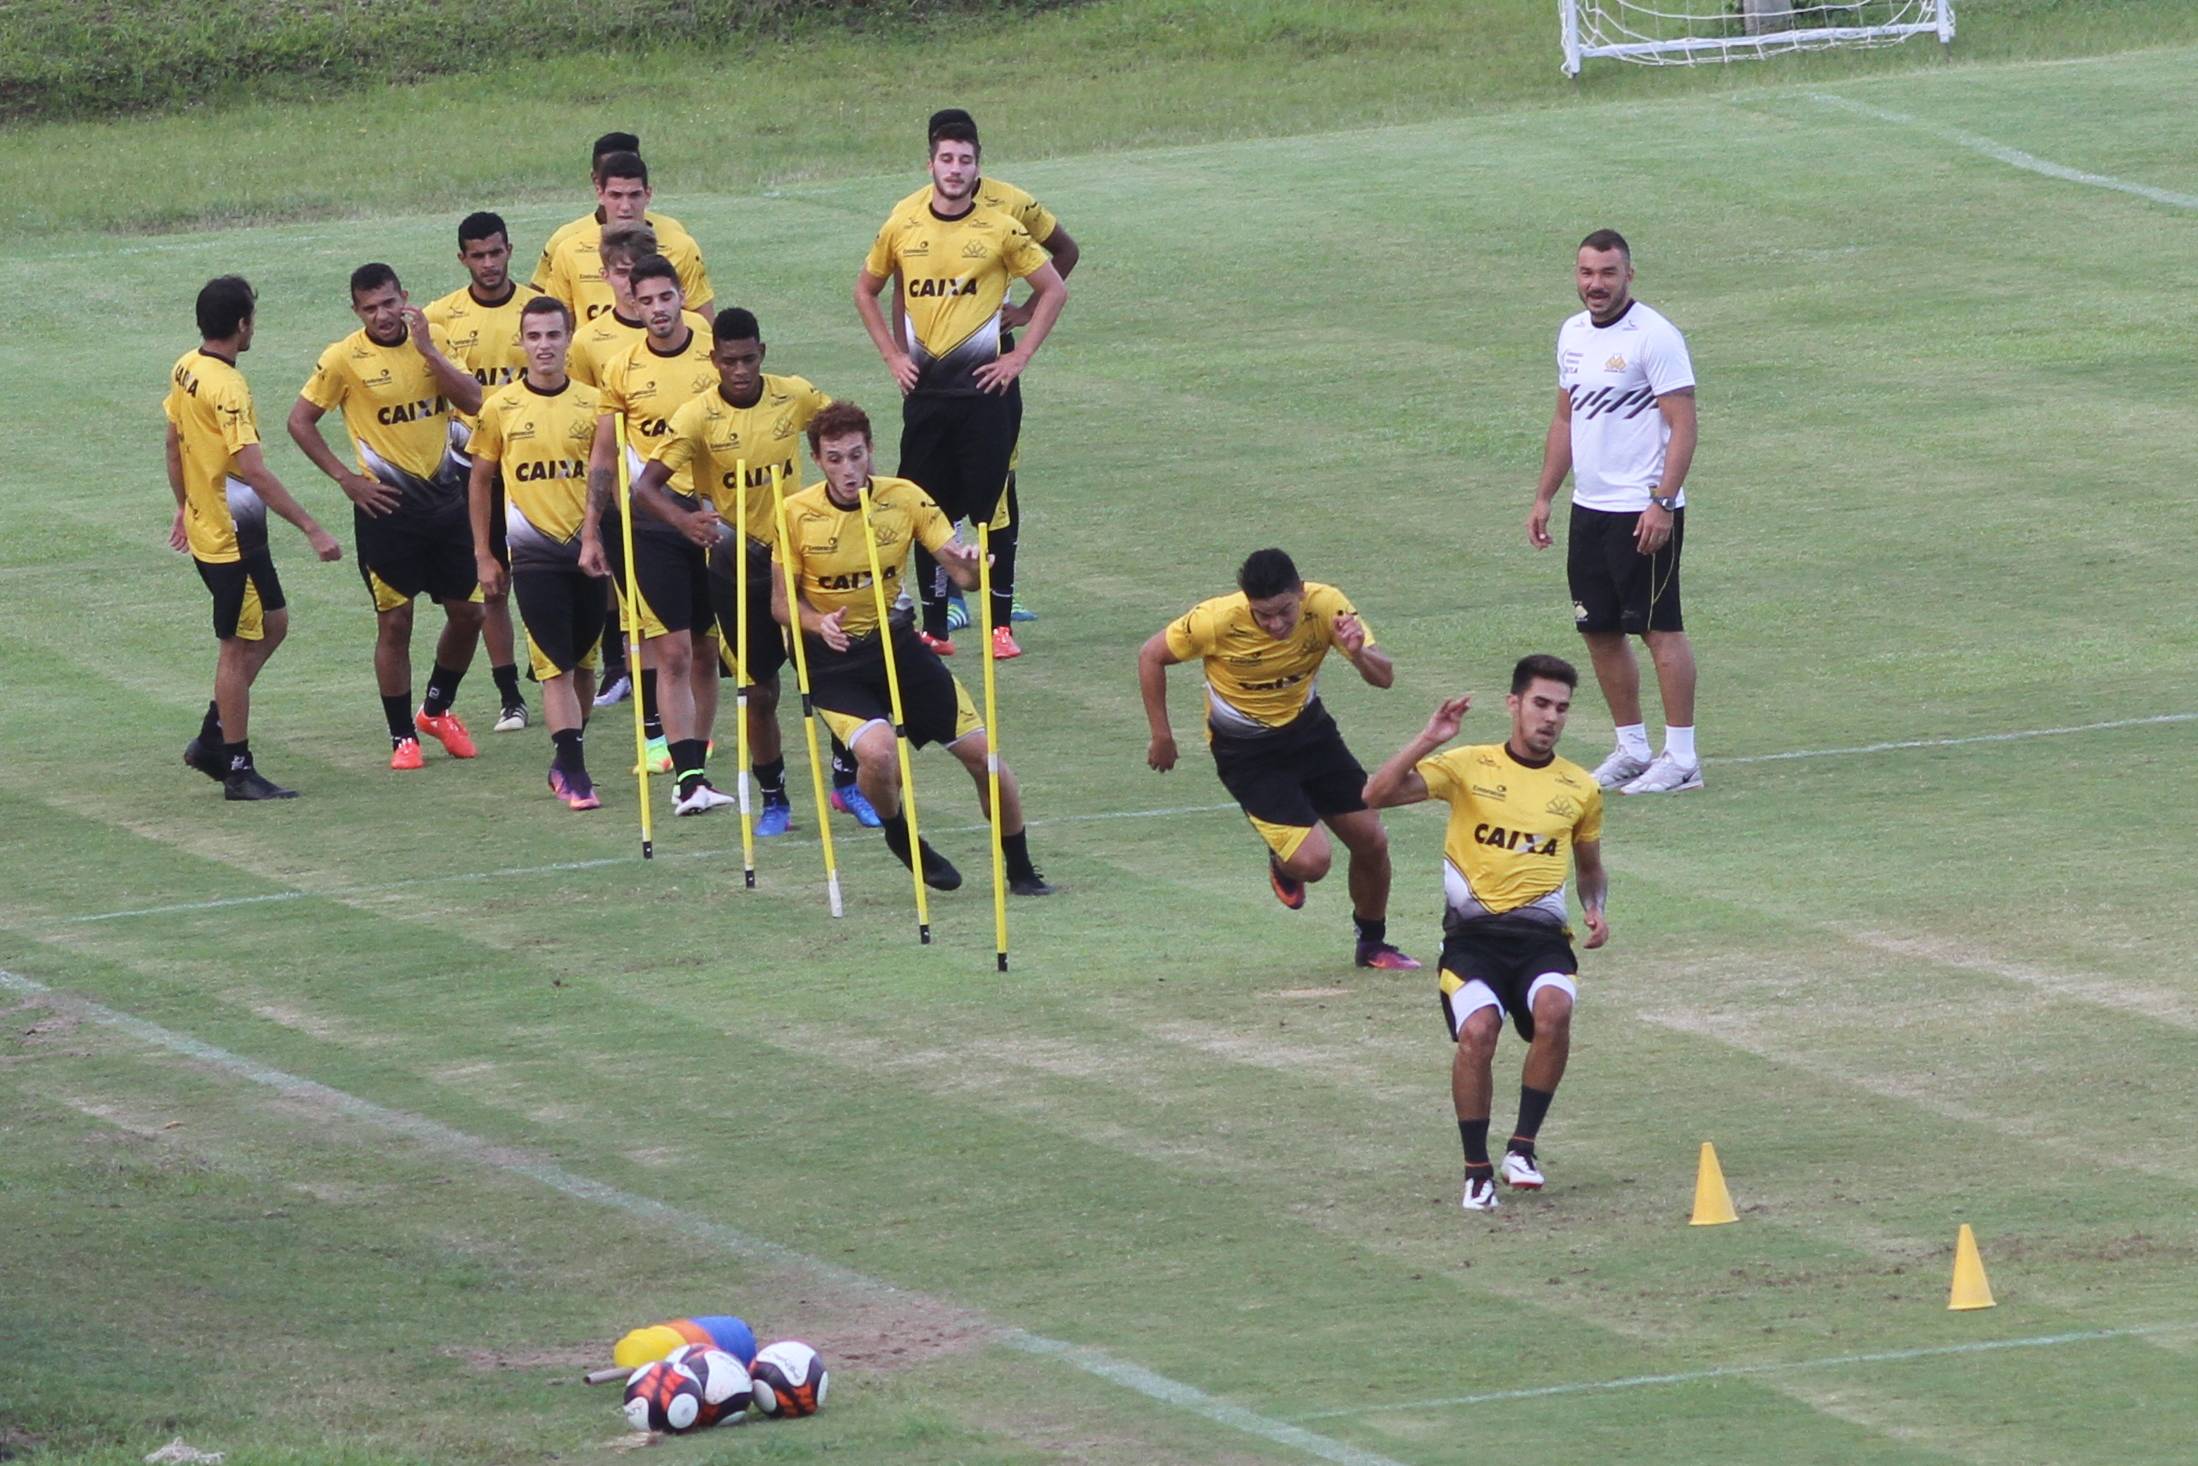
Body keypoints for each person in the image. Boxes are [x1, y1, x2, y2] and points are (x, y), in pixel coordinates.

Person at [1362, 655, 1610, 1213]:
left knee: (1555, 1011)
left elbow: (1590, 865)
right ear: (1514, 704)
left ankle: (1522, 1149)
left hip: (1544, 941)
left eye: (1562, 709)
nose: (1551, 718)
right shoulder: (1468, 765)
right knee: (1478, 1033)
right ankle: (1476, 1171)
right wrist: (1430, 736)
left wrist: (1596, 907)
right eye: (1541, 704)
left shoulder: (1580, 787)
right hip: (1472, 943)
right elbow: (1374, 795)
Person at [774, 402, 1053, 895]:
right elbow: (781, 604)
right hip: (832, 661)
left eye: (856, 455)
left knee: (985, 759)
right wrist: (819, 623)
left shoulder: (904, 498)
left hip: (897, 644)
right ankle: (901, 837)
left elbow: (960, 570)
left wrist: (972, 564)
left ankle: (1022, 871)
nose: (848, 469)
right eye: (835, 458)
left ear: (870, 450)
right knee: (880, 757)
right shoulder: (795, 514)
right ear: (817, 459)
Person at [1138, 549, 1419, 971]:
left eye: (1284, 611)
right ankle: (1283, 857)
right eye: (1262, 615)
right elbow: (1150, 655)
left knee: (1372, 840)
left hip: (1310, 733)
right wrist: (1162, 734)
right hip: (1246, 752)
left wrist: (1358, 652)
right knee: (1313, 863)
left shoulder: (1327, 606)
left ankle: (1372, 944)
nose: (1274, 625)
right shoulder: (1214, 620)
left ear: (1301, 593)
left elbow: (1385, 678)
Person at [854, 116, 1068, 658]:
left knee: (990, 505)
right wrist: (894, 356)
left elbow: (1054, 288)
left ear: (977, 167)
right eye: (946, 160)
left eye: (965, 161)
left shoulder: (1000, 226)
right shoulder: (903, 223)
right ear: (931, 165)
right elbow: (869, 290)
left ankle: (999, 626)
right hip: (927, 392)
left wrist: (1018, 355)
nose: (955, 170)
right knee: (925, 507)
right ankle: (935, 629)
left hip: (985, 393)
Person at [630, 306, 830, 837]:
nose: (739, 370)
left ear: (761, 354)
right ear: (714, 360)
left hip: (804, 558)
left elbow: (838, 430)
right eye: (729, 361)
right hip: (737, 565)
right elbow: (644, 488)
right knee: (760, 691)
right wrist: (685, 520)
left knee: (831, 676)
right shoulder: (697, 416)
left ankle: (847, 780)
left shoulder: (796, 395)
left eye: (748, 359)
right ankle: (775, 798)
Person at [286, 263, 487, 770]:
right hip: (387, 511)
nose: (381, 315)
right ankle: (402, 737)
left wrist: (428, 353)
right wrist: (345, 479)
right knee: (395, 623)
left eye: (389, 303)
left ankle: (436, 710)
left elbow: (473, 400)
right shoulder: (343, 359)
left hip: (447, 504)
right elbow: (300, 421)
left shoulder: (432, 338)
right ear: (356, 311)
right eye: (370, 308)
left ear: (405, 298)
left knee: (470, 614)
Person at [1527, 228, 1701, 795]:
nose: (1595, 285)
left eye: (1607, 273)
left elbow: (1684, 425)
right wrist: (1546, 494)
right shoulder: (1572, 335)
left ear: (1629, 274)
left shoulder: (1655, 336)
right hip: (1590, 508)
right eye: (1586, 273)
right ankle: (1631, 747)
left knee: (1659, 628)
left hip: (1641, 510)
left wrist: (1662, 501)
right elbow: (1565, 420)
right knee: (1598, 629)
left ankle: (1681, 759)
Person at [165, 275, 343, 800]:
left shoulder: (186, 367)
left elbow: (173, 443)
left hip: (217, 527)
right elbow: (256, 472)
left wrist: (182, 505)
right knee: (236, 650)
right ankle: (237, 768)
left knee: (274, 624)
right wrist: (313, 527)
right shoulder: (229, 389)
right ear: (243, 324)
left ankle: (211, 738)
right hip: (229, 539)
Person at [579, 253, 730, 814]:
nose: (659, 309)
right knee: (670, 651)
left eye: (668, 297)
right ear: (633, 304)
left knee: (707, 650)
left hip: (711, 519)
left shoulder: (712, 350)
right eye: (648, 301)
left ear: (681, 296)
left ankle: (700, 763)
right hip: (650, 522)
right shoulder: (620, 369)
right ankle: (687, 778)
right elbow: (602, 455)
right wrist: (592, 532)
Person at [467, 296, 608, 809]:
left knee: (586, 663)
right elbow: (480, 482)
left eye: (553, 335)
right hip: (532, 557)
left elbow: (603, 477)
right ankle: (574, 773)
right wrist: (484, 553)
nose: (544, 346)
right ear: (521, 343)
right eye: (535, 337)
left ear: (569, 338)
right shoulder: (499, 408)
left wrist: (598, 535)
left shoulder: (596, 404)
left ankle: (567, 755)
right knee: (555, 666)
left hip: (589, 552)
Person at [426, 210, 545, 732]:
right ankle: (509, 695)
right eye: (478, 255)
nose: (489, 263)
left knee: (548, 576)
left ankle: (563, 668)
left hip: (539, 470)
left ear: (509, 250)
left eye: (496, 252)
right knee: (492, 583)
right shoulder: (441, 317)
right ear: (462, 259)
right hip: (474, 469)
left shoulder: (538, 310)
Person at [534, 142, 712, 323]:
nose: (625, 207)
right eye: (616, 195)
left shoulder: (682, 248)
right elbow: (555, 326)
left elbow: (704, 325)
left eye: (634, 195)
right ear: (600, 194)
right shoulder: (570, 251)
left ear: (648, 194)